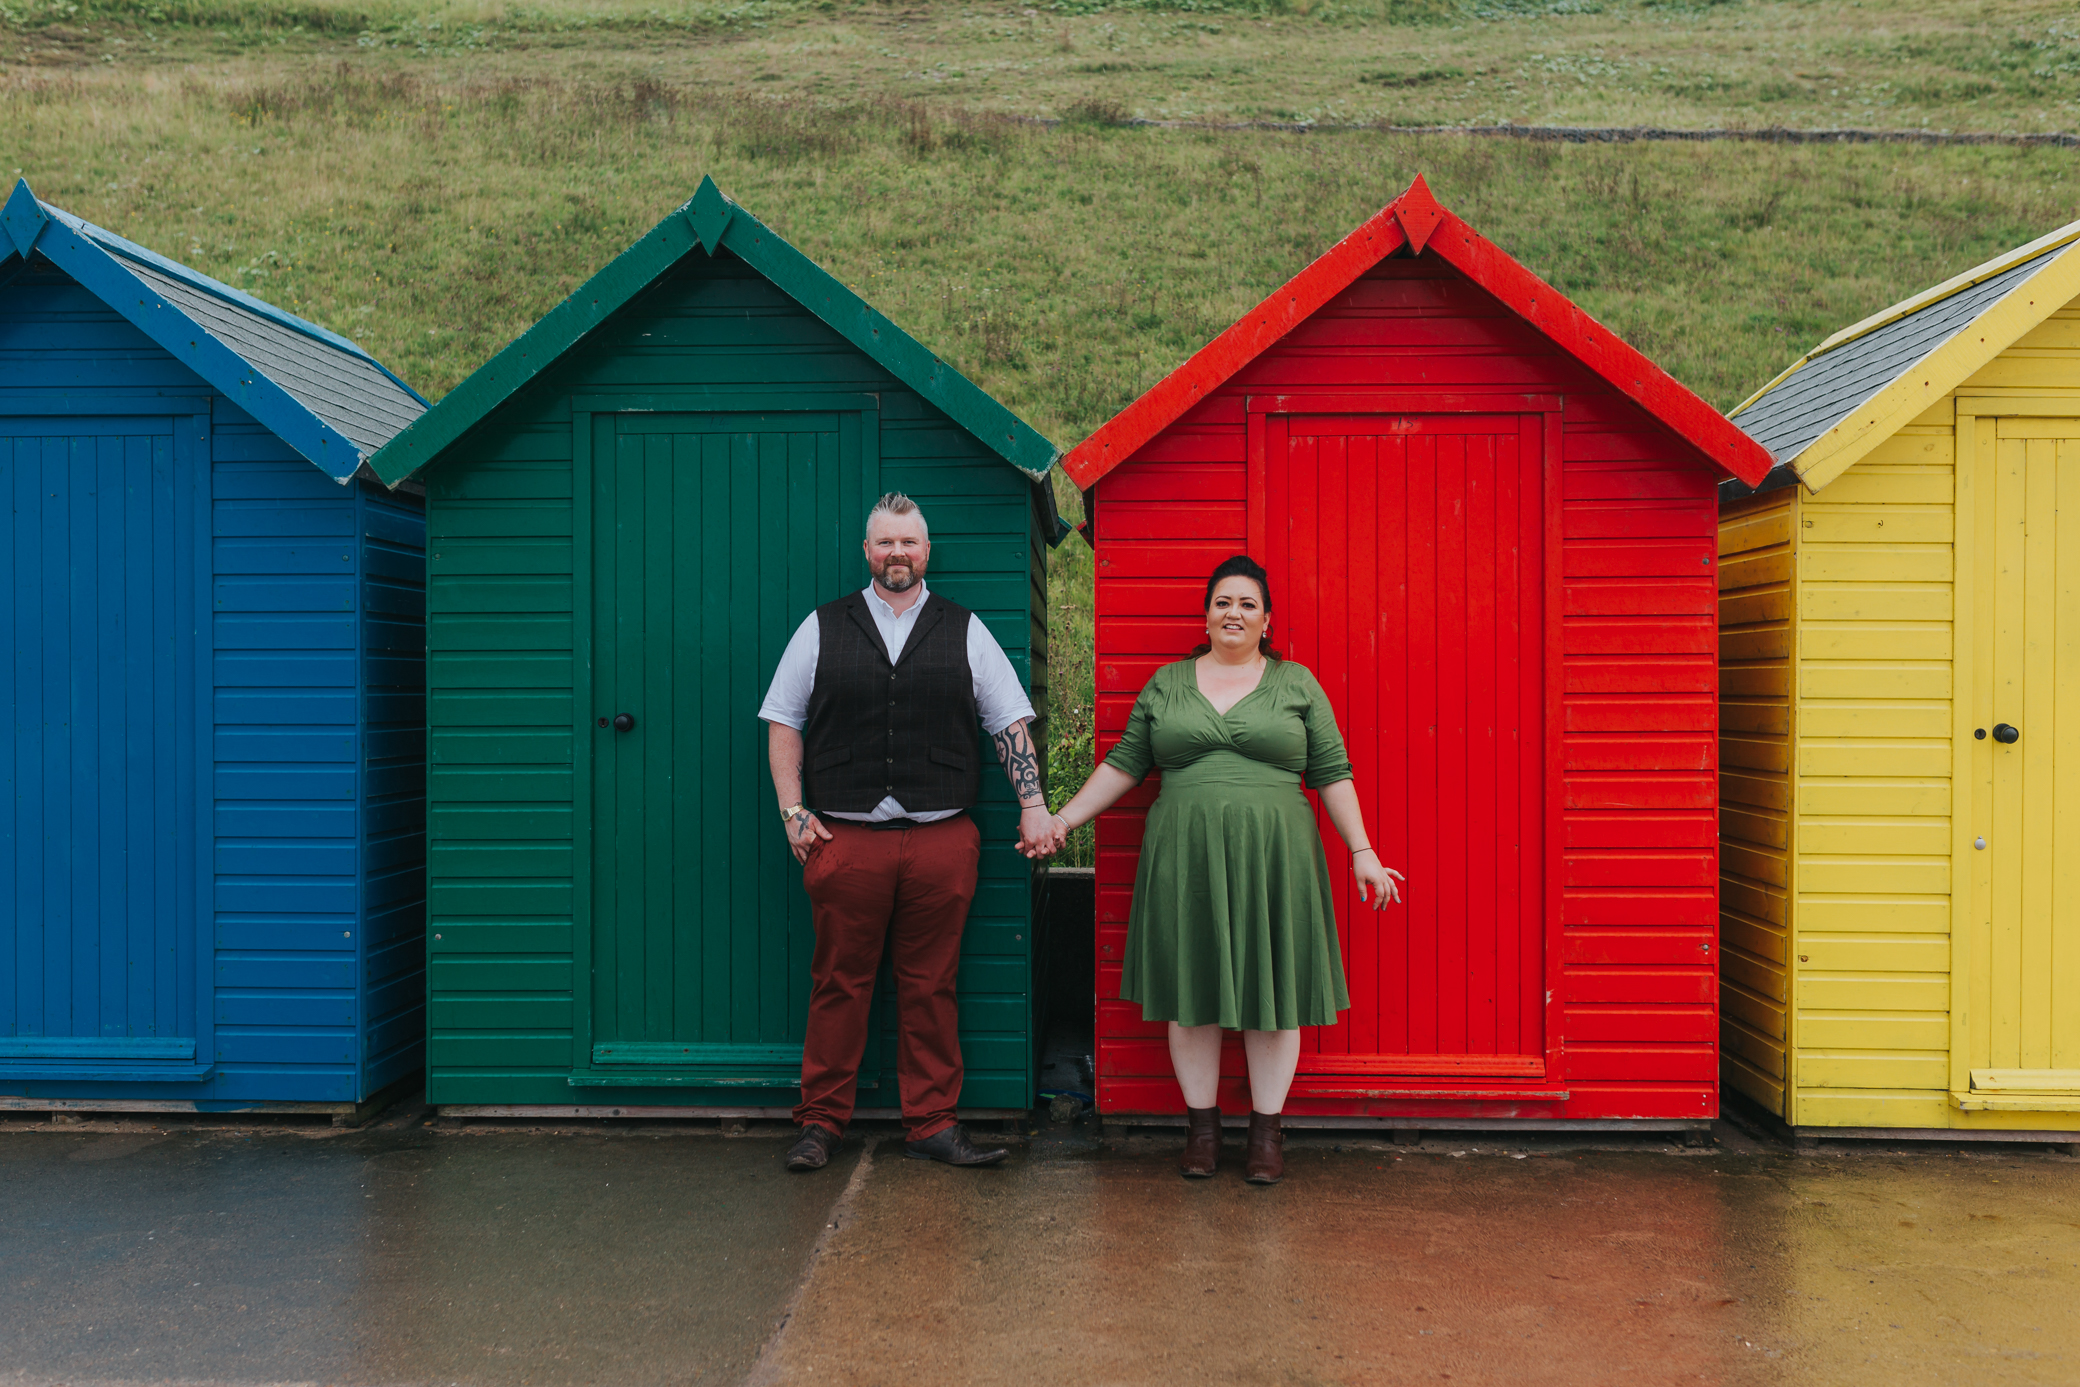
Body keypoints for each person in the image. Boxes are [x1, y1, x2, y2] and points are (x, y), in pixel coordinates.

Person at [1031, 554, 1403, 1184]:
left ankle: (1266, 1133)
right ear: (1206, 616)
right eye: (1223, 602)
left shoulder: (1297, 685)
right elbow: (1124, 765)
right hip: (1186, 857)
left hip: (1275, 857)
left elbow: (1332, 772)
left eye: (1247, 604)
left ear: (1267, 621)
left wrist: (1362, 852)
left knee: (1273, 995)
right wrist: (1062, 821)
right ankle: (1201, 1130)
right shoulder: (1167, 683)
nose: (1234, 613)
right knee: (1191, 991)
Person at [760, 492, 1055, 1173]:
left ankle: (932, 1121)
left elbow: (1010, 722)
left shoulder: (965, 628)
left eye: (910, 543)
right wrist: (791, 809)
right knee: (839, 981)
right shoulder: (822, 626)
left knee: (932, 983)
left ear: (928, 552)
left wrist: (1033, 805)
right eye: (886, 542)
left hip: (941, 840)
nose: (898, 553)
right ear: (867, 552)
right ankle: (821, 1122)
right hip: (845, 841)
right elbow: (783, 721)